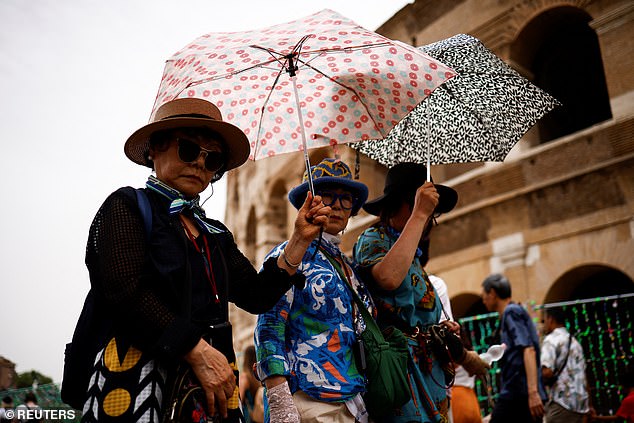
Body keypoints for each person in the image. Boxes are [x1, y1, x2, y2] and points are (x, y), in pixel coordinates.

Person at [79, 97, 330, 422]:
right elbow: (123, 291)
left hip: (208, 388)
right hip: (137, 379)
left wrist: (298, 239)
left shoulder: (213, 233)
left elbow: (256, 295)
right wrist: (196, 350)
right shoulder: (127, 207)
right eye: (189, 150)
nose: (200, 163)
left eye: (212, 159)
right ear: (156, 148)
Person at [354, 162, 489, 422]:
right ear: (400, 203)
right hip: (400, 370)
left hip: (430, 371)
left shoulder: (414, 255)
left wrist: (442, 329)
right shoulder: (373, 239)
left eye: (431, 213)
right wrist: (419, 214)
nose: (429, 219)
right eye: (423, 207)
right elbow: (389, 279)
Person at [254, 158, 373, 423]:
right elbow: (268, 327)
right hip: (307, 400)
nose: (338, 206)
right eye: (327, 196)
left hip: (355, 401)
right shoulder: (288, 256)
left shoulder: (349, 268)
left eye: (346, 198)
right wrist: (280, 402)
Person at [480, 273, 547, 423]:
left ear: (493, 293)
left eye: (484, 294)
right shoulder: (512, 313)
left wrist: (533, 393)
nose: (483, 299)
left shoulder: (511, 312)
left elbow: (528, 349)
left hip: (518, 393)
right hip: (518, 393)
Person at [540, 307, 589, 422]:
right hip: (580, 405)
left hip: (562, 402)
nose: (543, 325)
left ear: (550, 319)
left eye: (544, 321)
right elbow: (584, 376)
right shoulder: (575, 342)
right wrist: (589, 406)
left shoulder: (551, 340)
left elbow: (547, 372)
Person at [240, 345, 264, 423]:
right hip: (261, 416)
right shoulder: (260, 377)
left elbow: (240, 398)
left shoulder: (245, 377)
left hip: (250, 418)